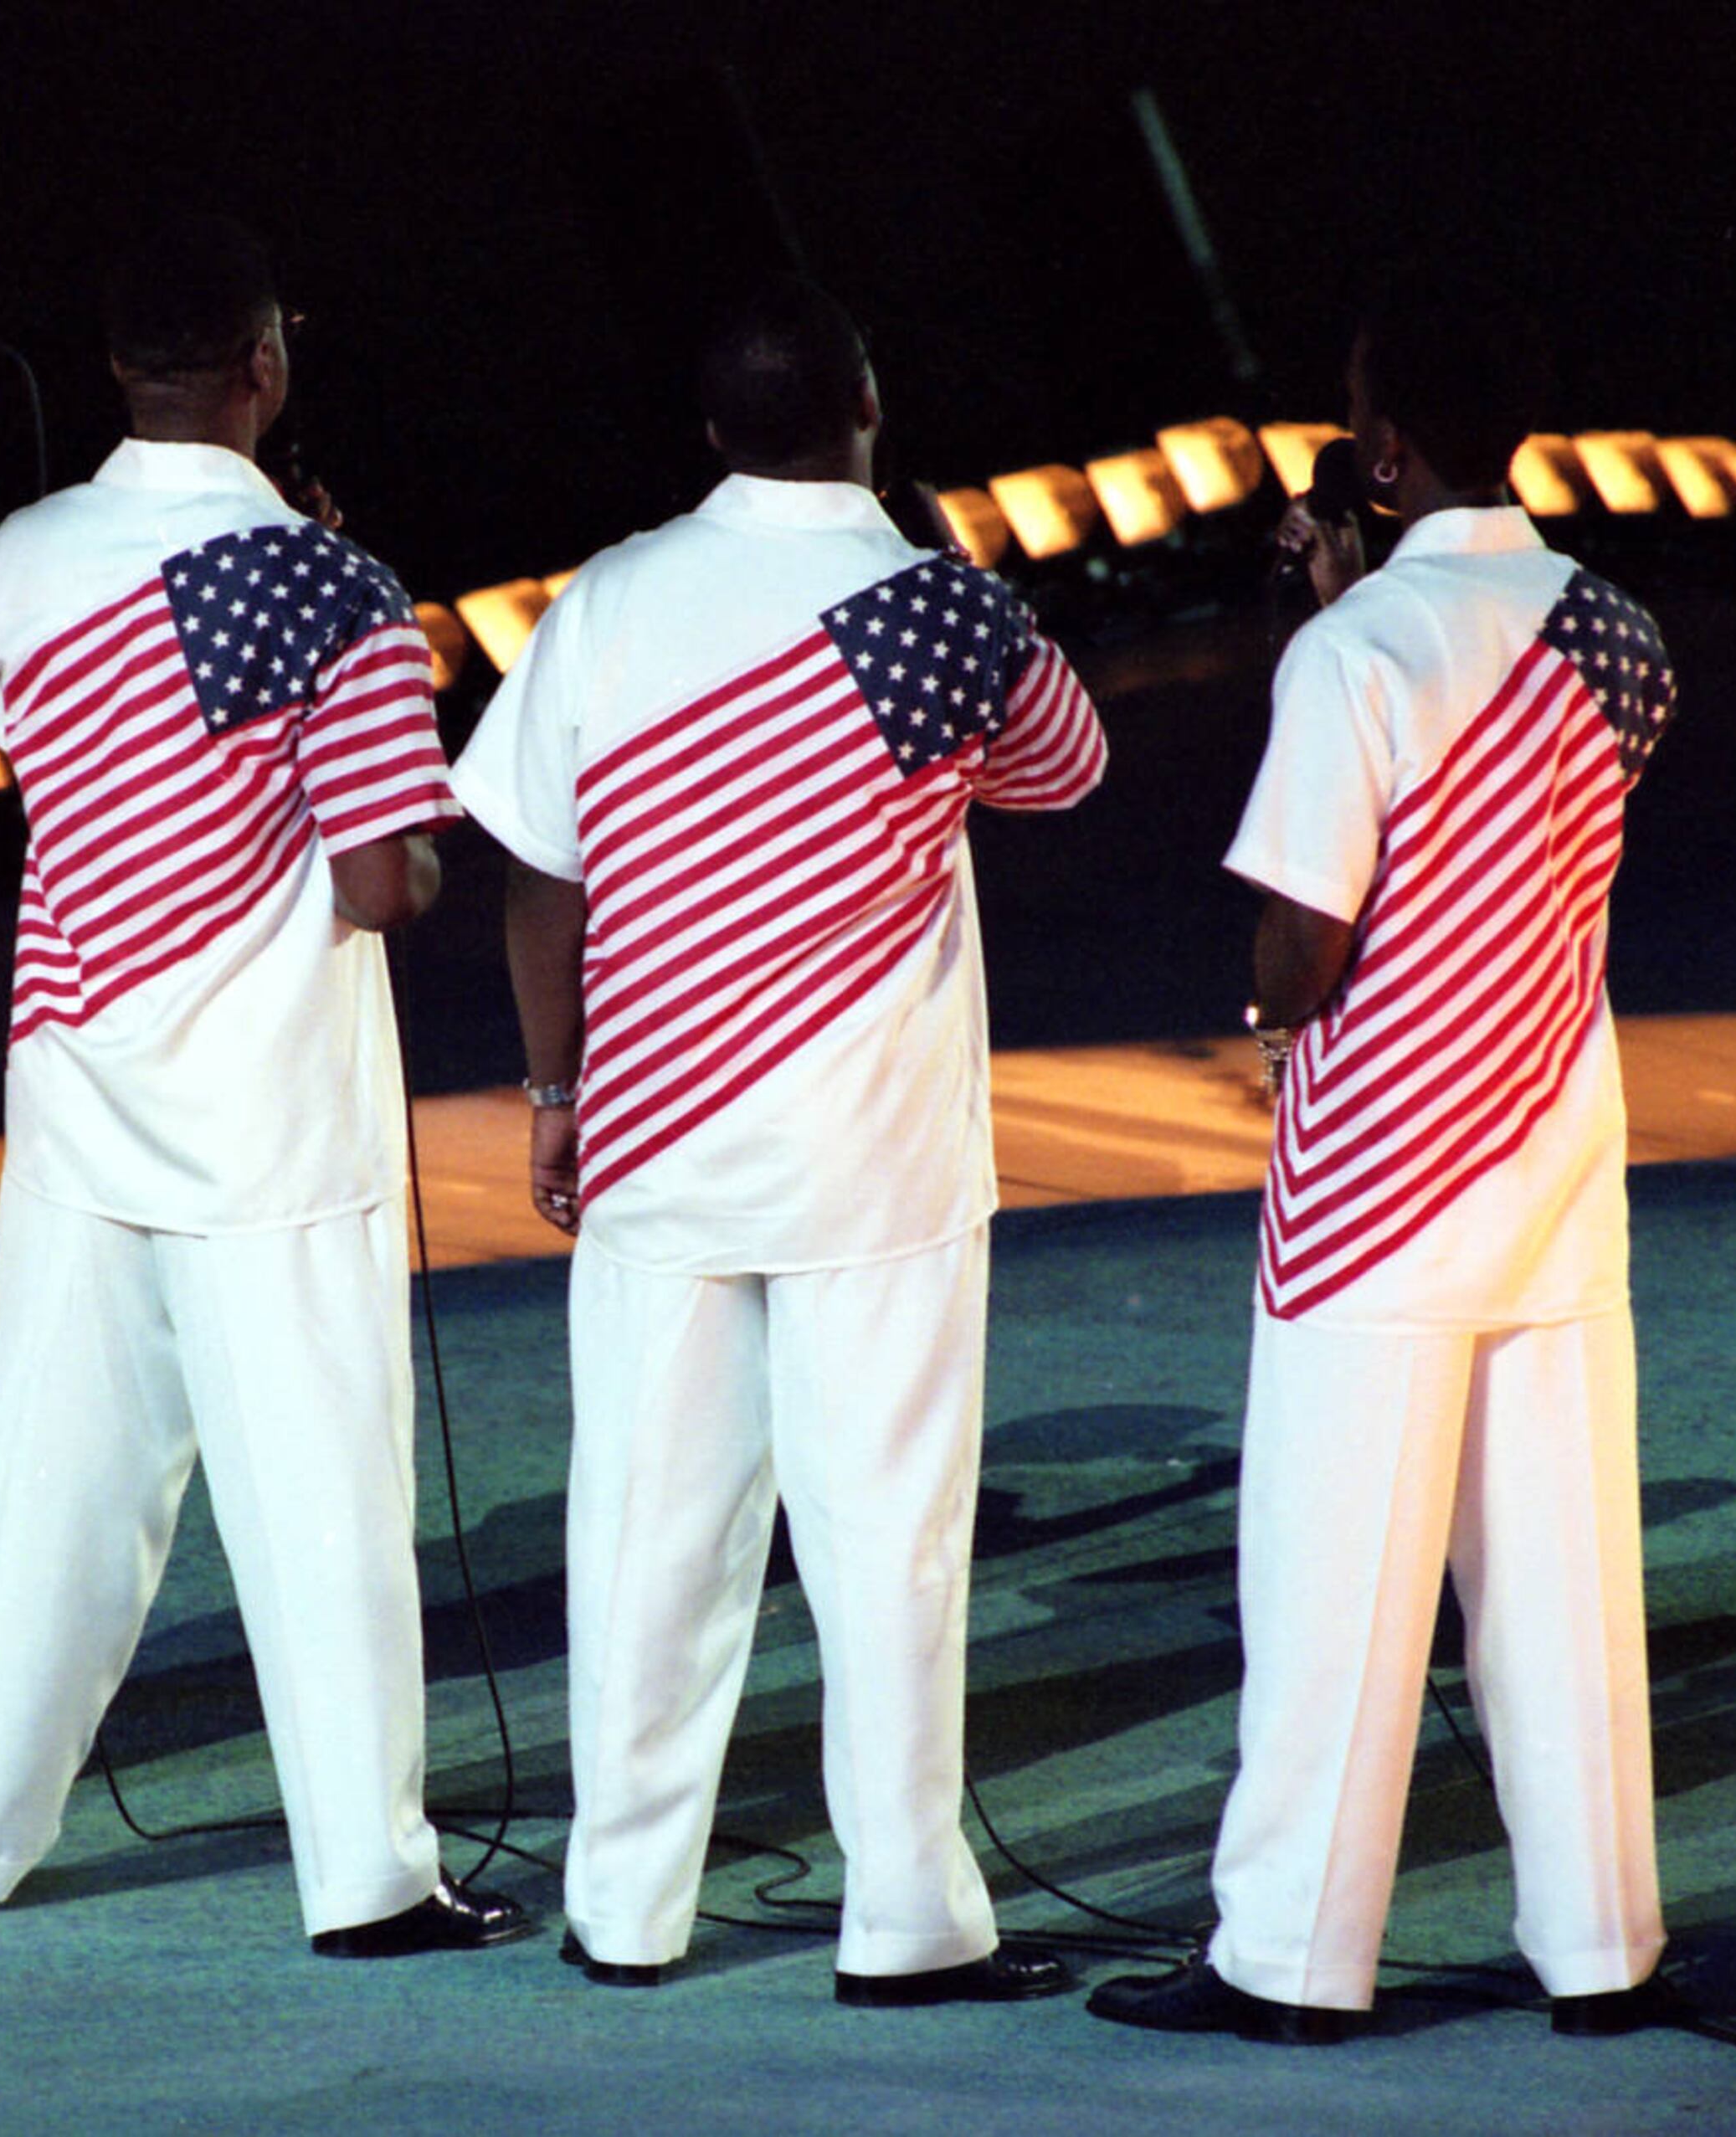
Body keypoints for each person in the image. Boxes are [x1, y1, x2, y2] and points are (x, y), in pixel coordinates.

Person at [449, 276, 1108, 2002]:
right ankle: (905, 1920)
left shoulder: (611, 596)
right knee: (887, 1538)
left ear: (710, 427)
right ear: (870, 411)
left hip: (656, 1141)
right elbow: (1068, 764)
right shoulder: (926, 608)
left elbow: (538, 860)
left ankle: (626, 1906)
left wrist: (553, 1087)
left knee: (649, 1531)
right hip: (870, 1153)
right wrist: (943, 564)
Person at [0, 213, 530, 1960]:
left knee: (45, 1468)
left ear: (118, 369)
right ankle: (369, 1874)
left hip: (85, 1080)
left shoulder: (26, 552)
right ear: (265, 365)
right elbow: (382, 878)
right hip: (270, 1107)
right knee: (317, 1489)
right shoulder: (330, 588)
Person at [1088, 269, 1678, 2045]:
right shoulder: (1623, 634)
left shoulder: (1350, 656)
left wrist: (1325, 634)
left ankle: (1291, 1957)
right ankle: (1604, 1948)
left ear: (1385, 444)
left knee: (1338, 1580)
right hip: (1559, 1158)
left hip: (1375, 1188)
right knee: (1563, 1591)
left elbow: (1300, 944)